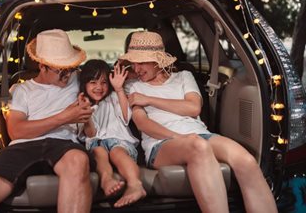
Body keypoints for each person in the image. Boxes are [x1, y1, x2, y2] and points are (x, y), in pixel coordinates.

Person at [119, 31, 278, 213]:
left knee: (246, 161)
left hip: (200, 135)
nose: (136, 69)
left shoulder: (184, 76)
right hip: (161, 144)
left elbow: (193, 108)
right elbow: (143, 124)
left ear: (157, 60)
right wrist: (180, 138)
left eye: (141, 62)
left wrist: (149, 100)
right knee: (198, 146)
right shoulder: (132, 86)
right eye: (133, 63)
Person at [0, 29, 95, 213]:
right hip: (22, 146)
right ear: (42, 66)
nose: (67, 75)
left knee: (78, 160)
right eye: (61, 70)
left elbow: (109, 78)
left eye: (71, 68)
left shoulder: (79, 79)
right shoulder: (21, 90)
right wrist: (64, 117)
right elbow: (16, 131)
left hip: (63, 144)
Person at [79, 59, 146, 208]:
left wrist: (119, 89)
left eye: (103, 82)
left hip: (120, 140)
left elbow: (126, 117)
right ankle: (106, 180)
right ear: (84, 84)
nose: (99, 87)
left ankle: (135, 184)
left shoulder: (113, 97)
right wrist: (85, 113)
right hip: (96, 142)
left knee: (118, 153)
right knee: (99, 152)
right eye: (93, 82)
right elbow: (91, 133)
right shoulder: (81, 104)